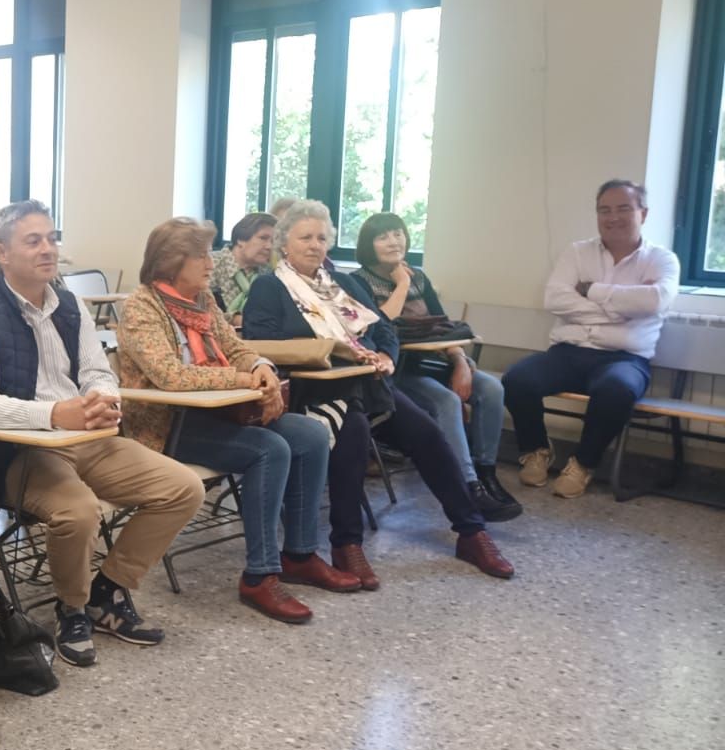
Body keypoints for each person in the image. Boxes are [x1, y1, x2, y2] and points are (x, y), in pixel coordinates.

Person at [0, 200, 203, 668]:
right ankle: (72, 607)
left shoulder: (68, 304)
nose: (48, 249)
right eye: (33, 241)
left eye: (51, 237)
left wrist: (103, 397)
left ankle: (108, 589)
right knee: (79, 512)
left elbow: (94, 369)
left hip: (85, 438)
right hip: (17, 452)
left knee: (182, 487)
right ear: (1, 253)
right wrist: (52, 414)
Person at [243, 201, 515, 588]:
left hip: (368, 385)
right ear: (284, 243)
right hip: (316, 389)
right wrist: (333, 346)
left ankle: (471, 533)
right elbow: (263, 342)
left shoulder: (346, 284)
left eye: (322, 238)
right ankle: (346, 544)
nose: (315, 245)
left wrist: (387, 356)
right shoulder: (269, 287)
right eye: (305, 237)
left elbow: (384, 329)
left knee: (428, 433)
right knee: (352, 435)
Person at [117, 219, 362, 624]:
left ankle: (299, 554)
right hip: (169, 425)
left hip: (222, 411)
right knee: (269, 449)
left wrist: (262, 367)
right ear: (170, 262)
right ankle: (260, 575)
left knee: (312, 434)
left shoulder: (203, 302)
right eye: (199, 256)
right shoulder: (142, 306)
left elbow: (236, 347)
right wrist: (244, 378)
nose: (210, 263)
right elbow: (170, 376)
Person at [502, 180, 680, 498]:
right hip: (568, 352)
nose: (613, 217)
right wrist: (621, 310)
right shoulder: (577, 252)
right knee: (518, 379)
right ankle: (536, 450)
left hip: (625, 358)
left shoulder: (662, 260)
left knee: (617, 390)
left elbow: (654, 302)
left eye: (623, 208)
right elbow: (555, 300)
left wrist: (592, 290)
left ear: (644, 213)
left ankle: (583, 464)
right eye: (604, 210)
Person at [352, 212, 520, 520]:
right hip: (398, 371)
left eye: (398, 233)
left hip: (435, 360)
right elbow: (378, 325)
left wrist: (461, 362)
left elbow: (444, 327)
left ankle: (487, 473)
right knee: (446, 400)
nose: (394, 241)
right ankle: (467, 486)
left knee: (492, 388)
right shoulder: (358, 281)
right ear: (368, 244)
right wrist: (401, 284)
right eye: (383, 236)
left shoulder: (420, 276)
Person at [209, 211, 276, 324]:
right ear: (241, 240)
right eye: (263, 238)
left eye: (273, 241)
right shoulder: (210, 264)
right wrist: (235, 319)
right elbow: (196, 311)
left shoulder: (269, 273)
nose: (269, 246)